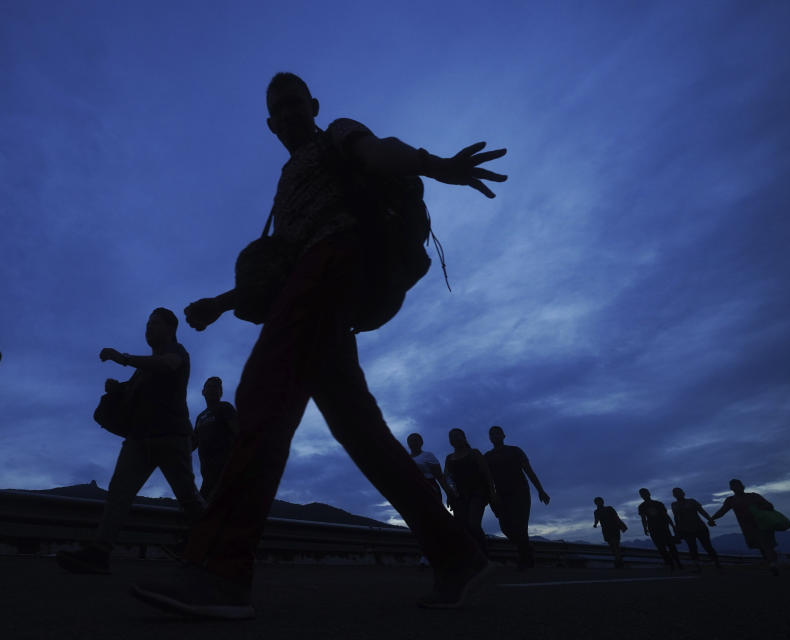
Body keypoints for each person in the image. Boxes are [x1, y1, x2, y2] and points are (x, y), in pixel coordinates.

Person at [129, 72, 508, 619]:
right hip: (313, 280)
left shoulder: (337, 134)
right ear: (268, 123)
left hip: (337, 264)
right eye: (276, 110)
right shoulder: (286, 183)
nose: (285, 115)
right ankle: (458, 554)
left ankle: (220, 570)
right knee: (362, 432)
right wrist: (222, 301)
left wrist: (437, 165)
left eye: (293, 104)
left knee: (262, 394)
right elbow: (280, 264)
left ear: (313, 105)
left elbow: (380, 152)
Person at [57, 308, 205, 574]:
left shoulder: (177, 352)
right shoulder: (142, 369)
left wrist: (122, 358)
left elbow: (168, 365)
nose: (148, 329)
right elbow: (136, 392)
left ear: (170, 329)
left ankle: (224, 545)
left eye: (154, 324)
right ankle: (99, 553)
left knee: (188, 499)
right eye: (147, 324)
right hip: (139, 439)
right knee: (118, 494)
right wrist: (119, 389)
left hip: (171, 438)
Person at [483, 425, 549, 569]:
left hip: (520, 492)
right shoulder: (487, 456)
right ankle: (527, 549)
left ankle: (525, 560)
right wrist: (491, 496)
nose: (495, 436)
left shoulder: (515, 451)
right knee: (505, 526)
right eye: (492, 434)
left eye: (498, 433)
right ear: (489, 438)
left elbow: (529, 471)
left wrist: (540, 490)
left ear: (503, 435)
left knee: (520, 526)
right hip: (501, 495)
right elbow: (486, 478)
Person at [709, 478, 780, 576]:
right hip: (748, 529)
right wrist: (712, 518)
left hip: (762, 524)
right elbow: (722, 511)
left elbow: (769, 506)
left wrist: (758, 509)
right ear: (732, 488)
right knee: (762, 547)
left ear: (742, 486)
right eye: (734, 486)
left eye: (738, 485)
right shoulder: (731, 500)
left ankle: (772, 564)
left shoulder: (753, 496)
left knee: (766, 545)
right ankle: (771, 562)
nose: (737, 488)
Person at [443, 429, 496, 554]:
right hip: (458, 496)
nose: (456, 438)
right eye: (453, 436)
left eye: (458, 435)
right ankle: (470, 556)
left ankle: (484, 553)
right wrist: (449, 495)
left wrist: (492, 493)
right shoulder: (449, 458)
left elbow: (487, 473)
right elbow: (447, 478)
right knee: (462, 527)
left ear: (464, 437)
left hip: (478, 493)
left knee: (473, 524)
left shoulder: (474, 453)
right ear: (451, 441)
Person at [192, 377, 238, 502]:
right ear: (203, 392)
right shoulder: (200, 417)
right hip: (207, 474)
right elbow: (192, 443)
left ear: (221, 393)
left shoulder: (225, 408)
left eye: (216, 387)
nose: (213, 389)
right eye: (209, 386)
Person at [670, 488, 720, 572]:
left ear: (683, 493)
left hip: (700, 527)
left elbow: (701, 511)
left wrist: (709, 519)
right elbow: (676, 518)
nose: (678, 494)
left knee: (707, 546)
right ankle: (697, 566)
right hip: (686, 530)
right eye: (676, 493)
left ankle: (717, 563)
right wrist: (677, 531)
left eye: (679, 492)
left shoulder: (691, 501)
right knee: (692, 547)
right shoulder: (674, 505)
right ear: (674, 495)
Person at [637, 488, 682, 571]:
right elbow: (643, 518)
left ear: (649, 493)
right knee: (661, 547)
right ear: (641, 496)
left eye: (645, 493)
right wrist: (645, 528)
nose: (644, 495)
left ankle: (677, 563)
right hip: (653, 529)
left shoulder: (658, 504)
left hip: (663, 527)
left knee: (670, 546)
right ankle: (670, 564)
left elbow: (666, 515)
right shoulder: (642, 506)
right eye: (642, 494)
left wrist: (672, 525)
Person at [406, 433, 450, 503]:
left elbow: (439, 476)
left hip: (430, 487)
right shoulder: (406, 459)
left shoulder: (428, 455)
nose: (414, 443)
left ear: (421, 442)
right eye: (411, 441)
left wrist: (449, 494)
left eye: (416, 440)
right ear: (408, 444)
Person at [592, 497, 627, 568]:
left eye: (600, 501)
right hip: (606, 530)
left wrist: (621, 526)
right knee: (612, 545)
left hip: (614, 528)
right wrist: (595, 524)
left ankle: (619, 561)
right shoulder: (596, 512)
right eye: (597, 502)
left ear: (602, 502)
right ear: (595, 503)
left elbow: (616, 517)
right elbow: (596, 519)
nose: (599, 503)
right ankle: (619, 560)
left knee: (615, 544)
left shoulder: (609, 508)